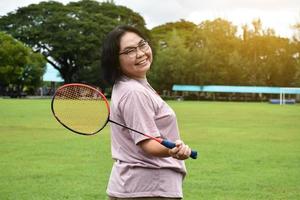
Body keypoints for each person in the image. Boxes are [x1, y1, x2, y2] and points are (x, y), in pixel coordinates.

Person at [101, 25, 192, 200]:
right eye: (129, 51)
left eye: (142, 45)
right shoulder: (134, 92)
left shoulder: (132, 86)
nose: (140, 53)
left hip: (140, 187)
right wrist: (173, 151)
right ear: (115, 60)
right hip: (148, 188)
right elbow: (148, 143)